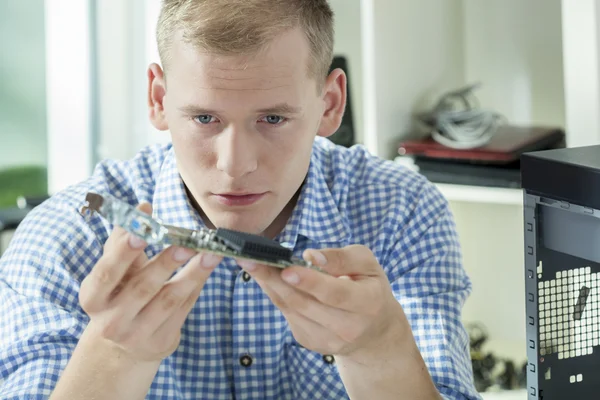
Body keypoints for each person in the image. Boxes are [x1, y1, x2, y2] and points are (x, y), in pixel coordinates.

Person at [0, 1, 482, 399]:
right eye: (205, 119)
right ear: (158, 98)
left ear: (330, 104)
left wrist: (380, 352)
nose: (235, 165)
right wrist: (114, 357)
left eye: (272, 119)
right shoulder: (62, 241)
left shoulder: (403, 213)